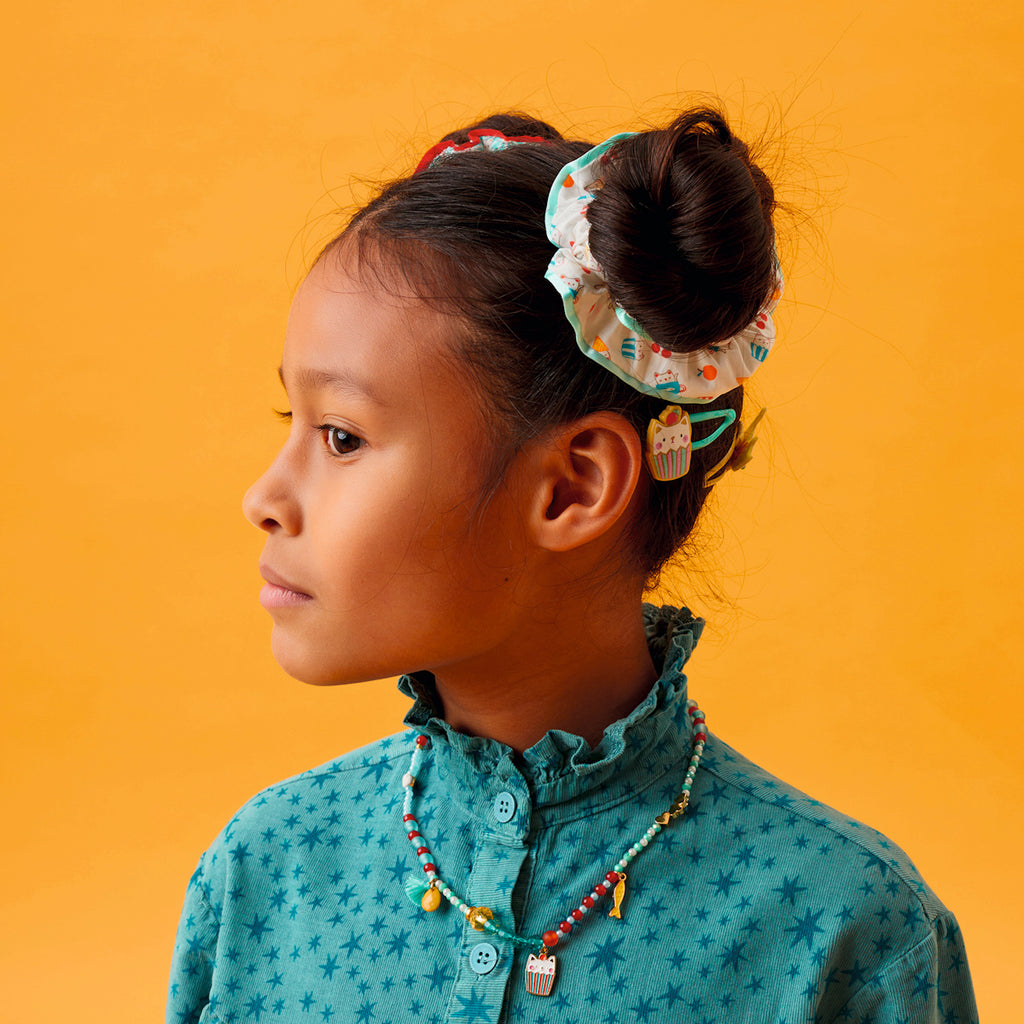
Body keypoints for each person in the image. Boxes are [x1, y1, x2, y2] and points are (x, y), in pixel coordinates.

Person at [167, 108, 977, 1024]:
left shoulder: (842, 930)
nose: (264, 497)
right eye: (293, 424)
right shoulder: (264, 873)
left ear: (573, 487)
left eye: (342, 437)